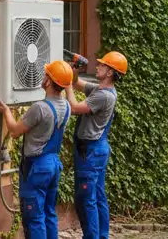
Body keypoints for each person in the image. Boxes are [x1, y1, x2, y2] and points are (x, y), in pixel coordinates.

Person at [0, 60, 73, 239]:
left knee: (34, 217)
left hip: (36, 168)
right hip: (53, 164)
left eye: (46, 74)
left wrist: (6, 111)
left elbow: (15, 132)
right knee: (49, 213)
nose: (43, 76)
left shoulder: (40, 108)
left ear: (49, 81)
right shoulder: (67, 107)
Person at [64, 51, 128, 239]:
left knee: (86, 199)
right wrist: (73, 72)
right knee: (98, 196)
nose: (97, 66)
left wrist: (65, 83)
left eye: (102, 65)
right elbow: (77, 83)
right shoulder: (100, 90)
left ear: (110, 72)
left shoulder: (103, 96)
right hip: (97, 150)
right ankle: (102, 236)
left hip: (90, 152)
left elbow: (75, 108)